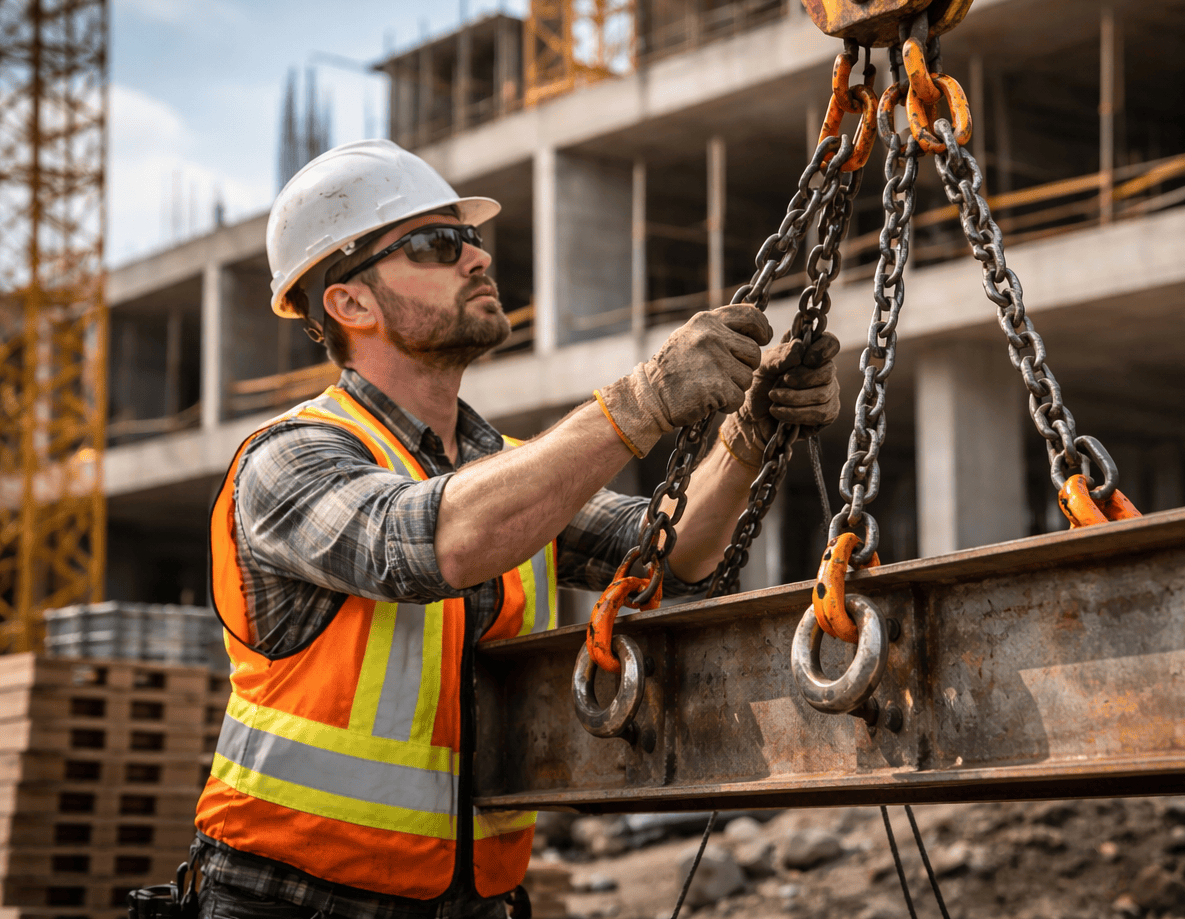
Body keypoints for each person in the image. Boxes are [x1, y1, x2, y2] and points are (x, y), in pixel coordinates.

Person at [193, 140, 840, 919]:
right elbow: (427, 544)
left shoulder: (505, 470)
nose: (476, 256)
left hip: (478, 899)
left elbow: (676, 556)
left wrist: (748, 436)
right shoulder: (289, 459)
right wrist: (641, 403)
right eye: (436, 244)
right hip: (290, 900)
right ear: (351, 304)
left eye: (469, 238)